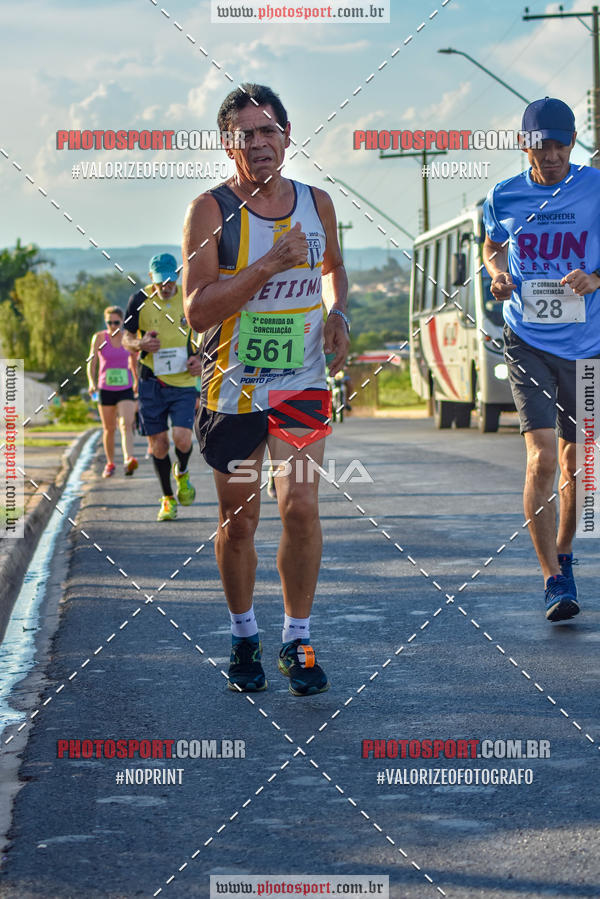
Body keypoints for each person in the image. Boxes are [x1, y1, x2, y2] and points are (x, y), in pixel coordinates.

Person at [182, 83, 350, 696]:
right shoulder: (210, 211)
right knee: (240, 519)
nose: (259, 143)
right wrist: (266, 267)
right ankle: (244, 634)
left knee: (301, 509)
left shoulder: (317, 204)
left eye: (269, 131)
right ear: (228, 144)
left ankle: (297, 638)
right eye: (245, 134)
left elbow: (333, 271)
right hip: (233, 389)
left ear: (287, 135)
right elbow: (197, 312)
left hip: (301, 382)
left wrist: (338, 316)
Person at [482, 96, 600, 622]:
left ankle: (566, 555)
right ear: (523, 145)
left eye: (558, 145)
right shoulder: (503, 196)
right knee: (543, 457)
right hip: (527, 339)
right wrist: (497, 275)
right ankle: (552, 577)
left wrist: (595, 279)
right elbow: (492, 246)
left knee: (581, 465)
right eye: (539, 146)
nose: (549, 156)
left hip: (588, 345)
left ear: (572, 143)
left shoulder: (595, 188)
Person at [122, 253, 203, 521]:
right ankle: (168, 499)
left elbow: (208, 332)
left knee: (181, 438)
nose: (165, 287)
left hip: (182, 382)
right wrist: (140, 345)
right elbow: (125, 338)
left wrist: (199, 358)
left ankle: (182, 471)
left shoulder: (188, 298)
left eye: (170, 281)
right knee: (158, 444)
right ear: (150, 279)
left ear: (177, 277)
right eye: (160, 282)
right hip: (151, 382)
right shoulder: (139, 300)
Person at [87, 306, 138, 478]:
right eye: (109, 322)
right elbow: (92, 362)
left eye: (116, 322)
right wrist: (91, 382)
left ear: (122, 322)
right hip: (105, 388)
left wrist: (137, 380)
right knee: (109, 428)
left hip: (125, 388)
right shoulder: (100, 338)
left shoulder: (127, 338)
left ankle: (128, 459)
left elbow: (134, 361)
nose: (113, 326)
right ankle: (110, 463)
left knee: (126, 424)